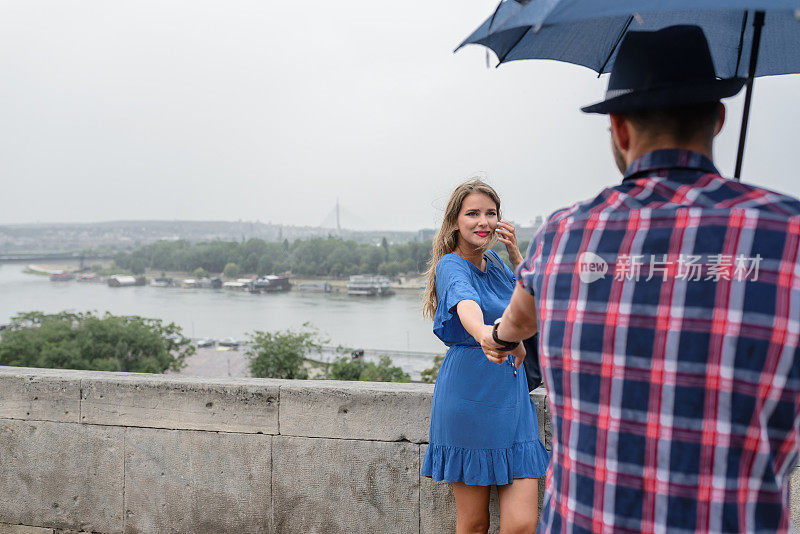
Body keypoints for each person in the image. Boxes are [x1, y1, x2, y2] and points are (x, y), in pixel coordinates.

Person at [486, 25, 800, 532]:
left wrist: (499, 339)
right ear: (718, 120)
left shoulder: (563, 235)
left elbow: (518, 322)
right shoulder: (789, 234)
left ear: (620, 129)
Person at [421, 179, 549, 534]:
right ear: (454, 222)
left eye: (490, 213)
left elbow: (531, 308)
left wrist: (518, 260)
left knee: (522, 524)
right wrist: (484, 335)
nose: (484, 221)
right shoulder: (451, 265)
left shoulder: (495, 262)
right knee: (474, 523)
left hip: (511, 395)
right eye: (473, 213)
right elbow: (466, 303)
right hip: (468, 395)